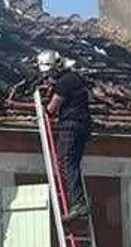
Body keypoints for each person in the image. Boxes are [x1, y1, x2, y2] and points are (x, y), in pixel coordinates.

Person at [39, 50, 93, 222]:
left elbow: (52, 109)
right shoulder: (75, 78)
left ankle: (78, 204)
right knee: (73, 164)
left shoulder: (64, 83)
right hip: (83, 126)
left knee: (66, 163)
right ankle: (79, 202)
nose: (49, 76)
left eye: (50, 73)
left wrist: (43, 108)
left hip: (70, 126)